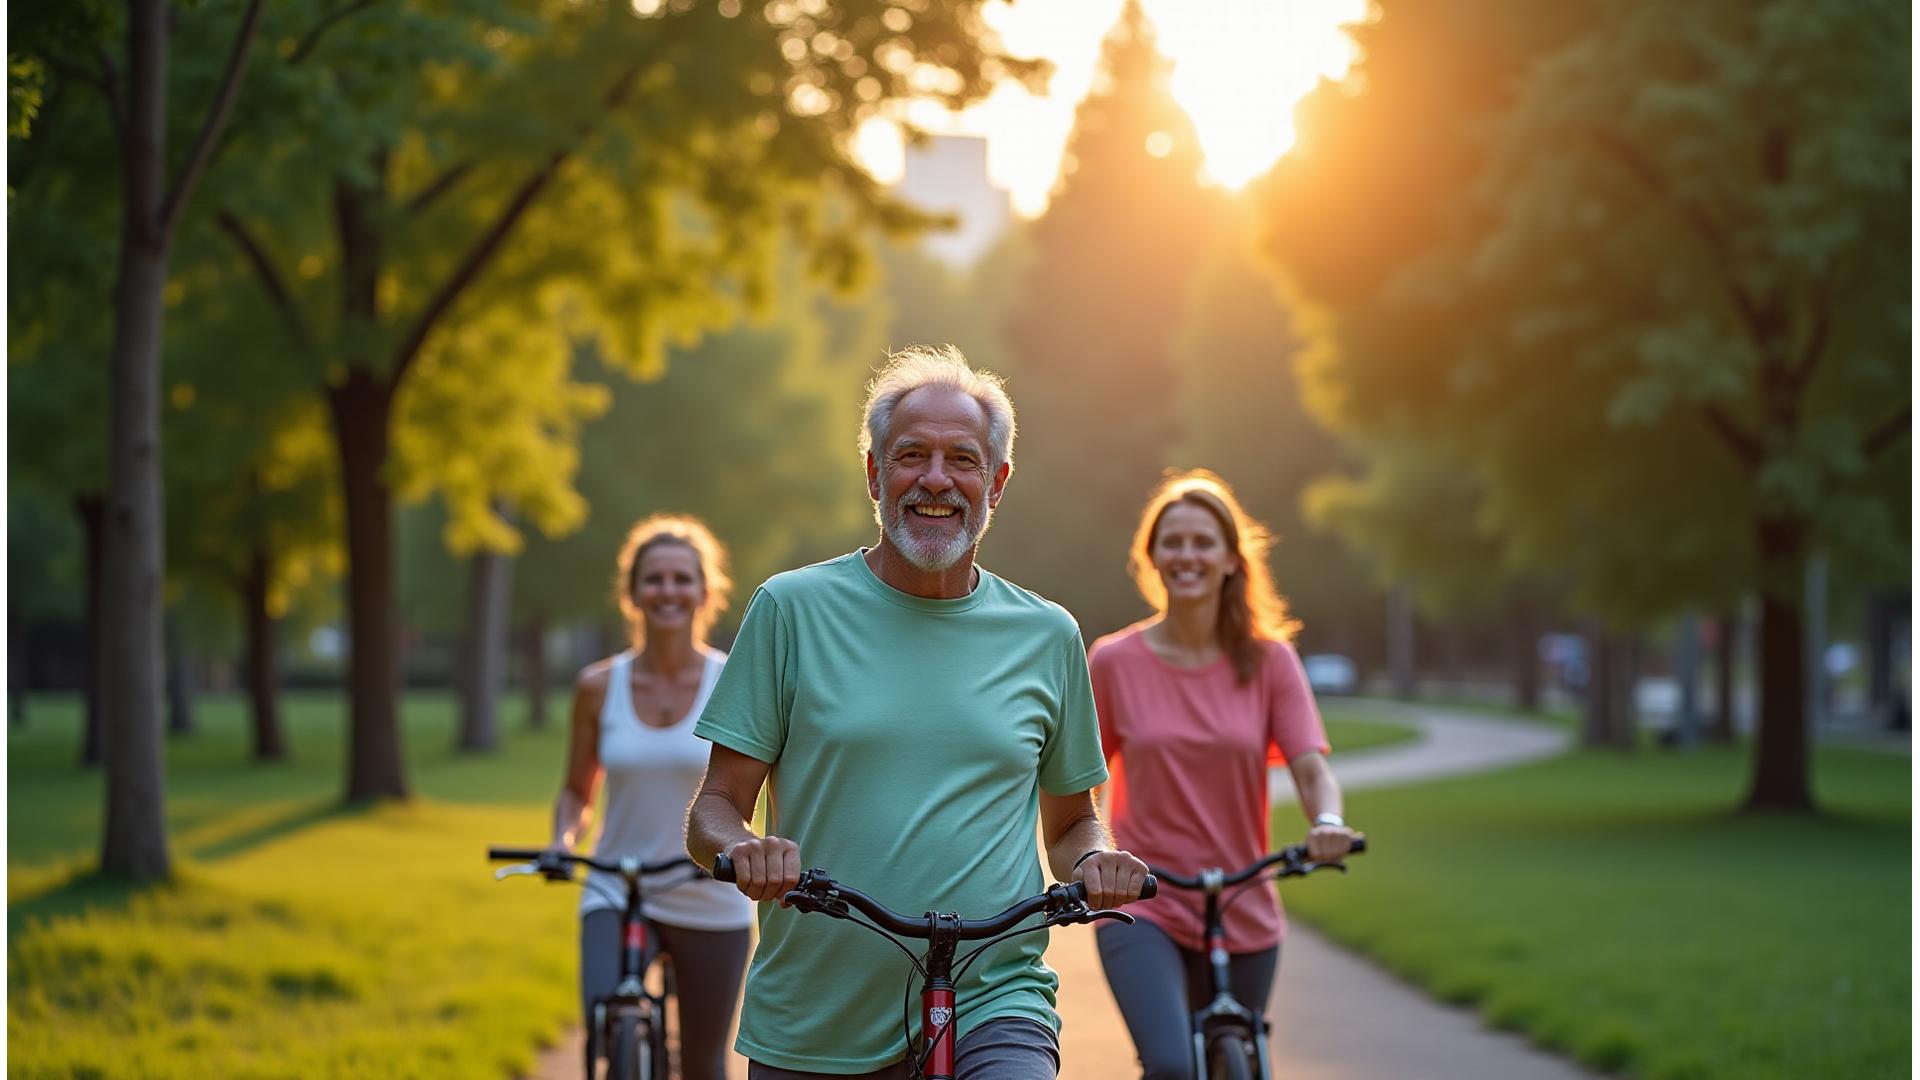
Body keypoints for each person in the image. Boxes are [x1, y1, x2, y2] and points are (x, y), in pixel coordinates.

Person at [685, 345, 1153, 1079]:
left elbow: (1069, 822)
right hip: (816, 1016)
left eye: (962, 459)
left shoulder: (1048, 635)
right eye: (911, 455)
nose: (936, 480)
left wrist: (1094, 860)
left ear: (996, 482)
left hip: (995, 996)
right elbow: (712, 808)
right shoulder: (790, 609)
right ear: (874, 472)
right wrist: (742, 847)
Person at [1089, 470, 1358, 1080]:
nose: (1187, 555)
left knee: (1241, 1058)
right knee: (1172, 1065)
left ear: (1232, 559)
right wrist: (1097, 852)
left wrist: (1329, 822)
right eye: (1173, 542)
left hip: (1244, 905)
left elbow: (1313, 770)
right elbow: (1081, 783)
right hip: (1144, 902)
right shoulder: (1113, 661)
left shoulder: (1269, 662)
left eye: (1202, 542)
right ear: (1152, 556)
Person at [547, 514, 753, 1080]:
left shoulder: (736, 679)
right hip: (617, 885)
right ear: (633, 592)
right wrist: (563, 841)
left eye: (682, 578)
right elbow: (575, 792)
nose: (668, 591)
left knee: (706, 1064)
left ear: (705, 591)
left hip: (709, 889)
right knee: (610, 1028)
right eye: (655, 579)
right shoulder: (596, 687)